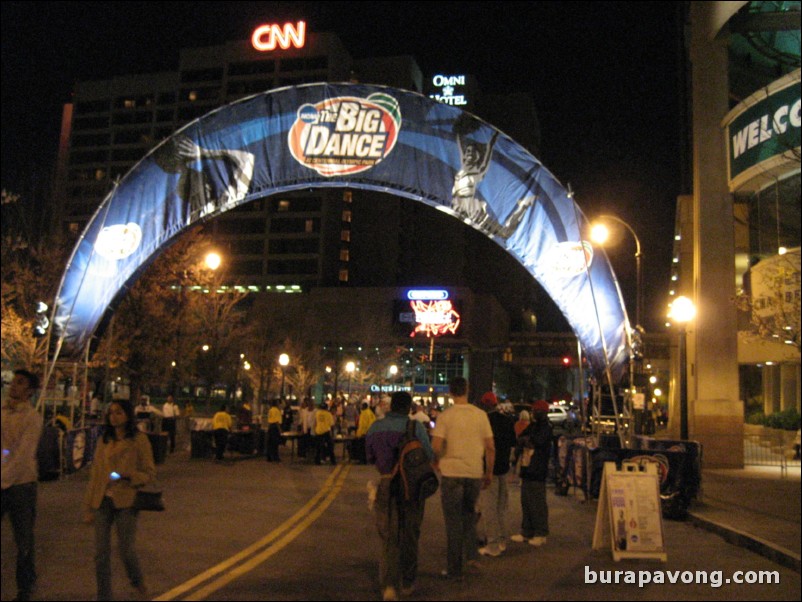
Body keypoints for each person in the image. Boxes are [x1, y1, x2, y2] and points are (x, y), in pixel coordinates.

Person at [82, 399, 156, 601]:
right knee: (100, 553)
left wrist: (128, 475)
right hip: (102, 500)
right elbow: (95, 475)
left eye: (119, 413)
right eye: (111, 412)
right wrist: (88, 507)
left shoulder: (138, 440)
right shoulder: (104, 440)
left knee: (126, 549)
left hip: (126, 500)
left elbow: (149, 473)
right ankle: (103, 596)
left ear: (128, 415)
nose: (114, 417)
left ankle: (137, 582)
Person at [366, 391, 434, 601]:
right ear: (409, 408)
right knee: (410, 533)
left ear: (391, 406)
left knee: (389, 536)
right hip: (412, 487)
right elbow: (428, 455)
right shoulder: (416, 428)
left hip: (387, 483)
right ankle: (407, 580)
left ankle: (388, 585)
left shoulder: (376, 427)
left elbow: (369, 456)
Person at [431, 376, 494, 580]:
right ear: (467, 390)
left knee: (453, 522)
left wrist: (436, 462)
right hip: (474, 472)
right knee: (468, 516)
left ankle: (454, 568)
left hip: (451, 472)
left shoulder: (445, 416)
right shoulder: (480, 415)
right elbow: (490, 447)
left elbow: (437, 446)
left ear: (450, 392)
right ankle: (472, 556)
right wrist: (489, 472)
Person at [1, 369, 42, 601]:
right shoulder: (3, 411)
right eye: (13, 382)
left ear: (29, 391)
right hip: (3, 480)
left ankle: (25, 588)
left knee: (23, 540)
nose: (13, 386)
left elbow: (23, 455)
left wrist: (4, 480)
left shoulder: (32, 418)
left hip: (21, 485)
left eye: (20, 383)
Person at [477, 391, 517, 557]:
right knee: (501, 506)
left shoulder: (485, 421)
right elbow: (513, 443)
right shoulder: (507, 420)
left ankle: (492, 544)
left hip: (490, 468)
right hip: (504, 467)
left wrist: (486, 470)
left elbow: (486, 447)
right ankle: (502, 540)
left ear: (485, 404)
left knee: (489, 507)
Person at [511, 399, 553, 547]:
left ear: (543, 412)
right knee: (526, 501)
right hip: (527, 467)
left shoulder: (546, 427)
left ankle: (541, 533)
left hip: (538, 469)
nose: (534, 414)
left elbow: (537, 441)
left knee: (537, 503)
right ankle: (527, 531)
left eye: (537, 411)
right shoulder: (534, 426)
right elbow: (522, 437)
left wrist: (526, 441)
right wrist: (525, 441)